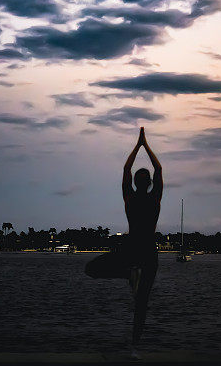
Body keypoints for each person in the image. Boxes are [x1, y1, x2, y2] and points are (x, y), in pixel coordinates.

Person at [85, 126, 163, 351]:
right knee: (142, 303)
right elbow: (158, 168)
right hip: (148, 251)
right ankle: (135, 348)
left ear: (135, 183)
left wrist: (137, 145)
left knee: (91, 269)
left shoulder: (128, 198)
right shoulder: (155, 199)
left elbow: (126, 168)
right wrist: (145, 145)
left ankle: (128, 273)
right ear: (148, 184)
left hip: (131, 249)